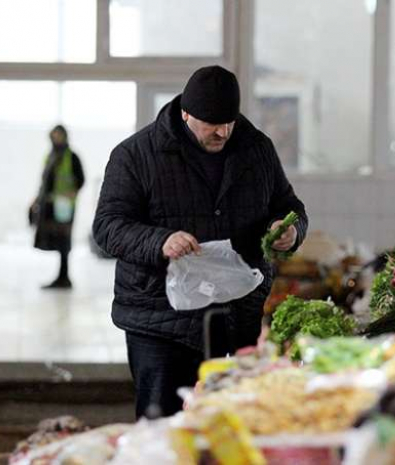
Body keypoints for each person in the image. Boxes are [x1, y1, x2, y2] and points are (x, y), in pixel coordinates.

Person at [92, 65, 308, 419]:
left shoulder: (256, 150)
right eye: (211, 123)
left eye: (229, 122)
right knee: (163, 427)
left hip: (236, 319)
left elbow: (288, 206)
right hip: (161, 323)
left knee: (232, 429)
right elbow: (107, 227)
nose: (222, 132)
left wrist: (291, 229)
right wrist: (160, 241)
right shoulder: (135, 155)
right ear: (186, 113)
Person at [30, 125, 85, 289]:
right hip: (50, 205)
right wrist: (36, 200)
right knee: (56, 240)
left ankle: (64, 277)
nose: (56, 139)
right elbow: (45, 182)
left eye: (58, 136)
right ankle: (61, 276)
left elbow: (81, 179)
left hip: (65, 206)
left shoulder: (71, 157)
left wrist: (72, 193)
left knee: (64, 241)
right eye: (53, 136)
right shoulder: (51, 156)